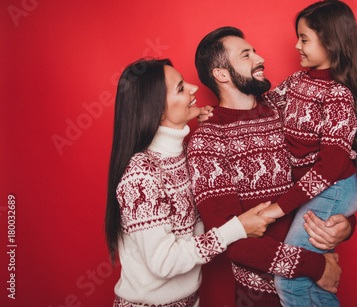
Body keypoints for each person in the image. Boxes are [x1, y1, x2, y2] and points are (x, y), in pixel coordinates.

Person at [188, 27, 355, 306]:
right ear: (222, 74)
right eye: (246, 55)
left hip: (315, 289)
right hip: (259, 297)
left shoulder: (284, 111)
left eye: (254, 51)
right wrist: (316, 266)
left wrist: (345, 224)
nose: (260, 58)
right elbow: (227, 236)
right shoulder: (207, 140)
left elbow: (329, 175)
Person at [104, 58, 275, 307]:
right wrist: (237, 228)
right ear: (158, 110)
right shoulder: (140, 174)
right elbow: (164, 261)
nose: (194, 88)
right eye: (181, 88)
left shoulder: (185, 153)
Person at [255, 0, 357, 306]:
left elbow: (329, 168)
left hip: (333, 189)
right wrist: (215, 111)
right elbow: (264, 108)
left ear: (330, 42)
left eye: (304, 39)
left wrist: (278, 209)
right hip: (313, 190)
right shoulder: (298, 81)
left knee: (289, 276)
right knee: (313, 283)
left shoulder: (338, 95)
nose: (297, 46)